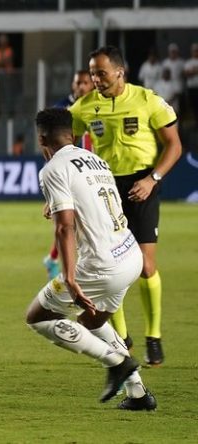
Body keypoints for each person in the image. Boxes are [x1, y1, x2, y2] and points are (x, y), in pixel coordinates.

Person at [26, 107, 156, 411]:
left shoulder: (53, 169)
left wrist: (69, 276)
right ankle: (138, 393)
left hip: (100, 266)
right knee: (91, 320)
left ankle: (116, 362)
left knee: (38, 317)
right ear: (72, 135)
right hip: (129, 255)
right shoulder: (96, 160)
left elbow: (65, 226)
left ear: (42, 138)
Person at [69, 46, 183, 365]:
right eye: (92, 73)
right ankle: (122, 339)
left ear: (120, 72)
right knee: (109, 267)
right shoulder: (84, 108)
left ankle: (154, 336)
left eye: (101, 73)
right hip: (104, 188)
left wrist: (153, 179)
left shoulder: (148, 101)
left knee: (146, 267)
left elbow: (174, 145)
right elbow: (65, 145)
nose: (95, 79)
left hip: (142, 185)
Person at [44, 69, 95, 280]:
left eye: (85, 82)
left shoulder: (97, 107)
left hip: (89, 170)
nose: (82, 86)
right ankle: (64, 264)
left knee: (77, 221)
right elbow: (47, 143)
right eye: (78, 83)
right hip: (67, 172)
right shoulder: (60, 109)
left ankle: (54, 258)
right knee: (70, 220)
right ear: (73, 85)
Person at [183, 43, 198, 125]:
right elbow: (186, 74)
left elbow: (190, 72)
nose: (196, 52)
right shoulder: (188, 62)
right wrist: (195, 71)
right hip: (192, 87)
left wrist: (193, 71)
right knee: (193, 106)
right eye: (194, 51)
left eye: (197, 51)